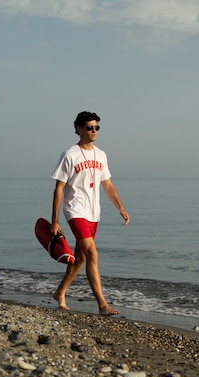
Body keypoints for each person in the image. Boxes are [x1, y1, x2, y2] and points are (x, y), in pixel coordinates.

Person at [50, 111, 130, 316]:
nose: (94, 131)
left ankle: (59, 292)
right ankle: (103, 305)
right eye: (89, 127)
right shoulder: (69, 155)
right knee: (93, 254)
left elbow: (108, 184)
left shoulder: (101, 155)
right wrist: (55, 220)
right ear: (78, 129)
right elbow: (59, 188)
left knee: (81, 259)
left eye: (96, 128)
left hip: (93, 212)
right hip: (75, 210)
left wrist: (120, 207)